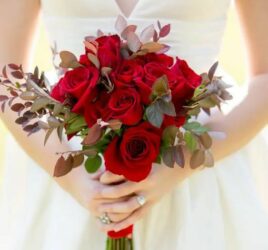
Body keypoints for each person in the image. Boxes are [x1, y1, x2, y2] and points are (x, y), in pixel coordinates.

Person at [0, 0, 268, 249]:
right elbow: (6, 78)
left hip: (197, 176)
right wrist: (78, 184)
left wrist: (179, 167)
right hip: (71, 172)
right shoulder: (74, 180)